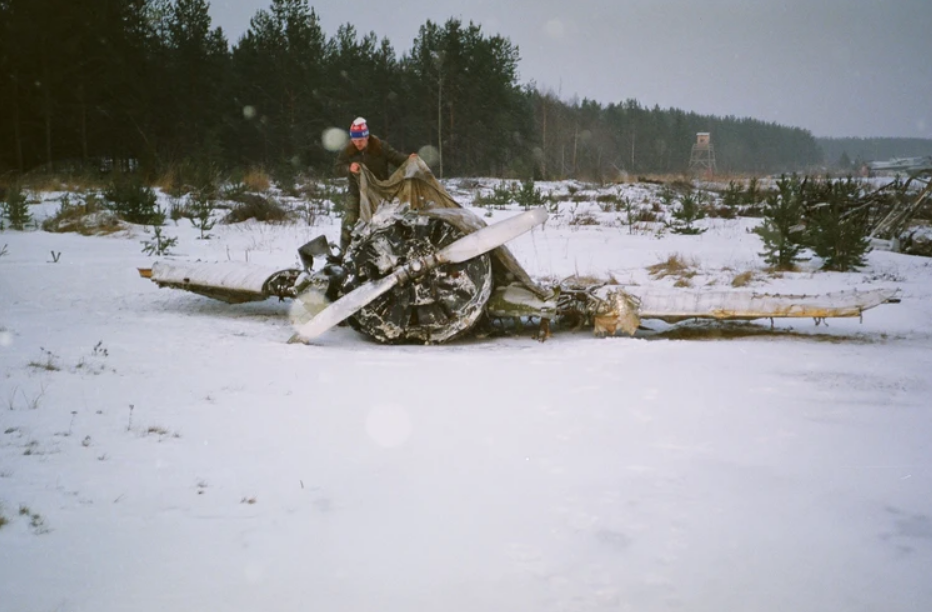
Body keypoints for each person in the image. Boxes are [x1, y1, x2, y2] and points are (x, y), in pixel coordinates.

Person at [333, 117, 415, 250]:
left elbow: (397, 158)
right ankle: (344, 253)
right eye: (354, 140)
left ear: (367, 137)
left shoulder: (380, 147)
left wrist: (409, 159)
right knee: (349, 221)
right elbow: (337, 168)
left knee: (382, 223)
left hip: (380, 192)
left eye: (360, 140)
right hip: (356, 193)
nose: (357, 143)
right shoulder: (348, 150)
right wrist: (348, 168)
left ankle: (383, 252)